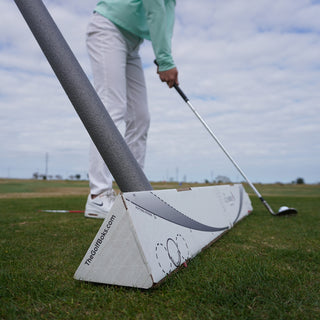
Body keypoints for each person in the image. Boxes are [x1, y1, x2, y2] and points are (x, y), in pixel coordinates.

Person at [84, 0, 179, 218]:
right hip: (108, 28)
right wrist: (165, 60)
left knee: (140, 118)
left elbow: (165, 21)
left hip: (132, 45)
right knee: (111, 108)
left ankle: (133, 193)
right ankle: (98, 196)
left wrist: (162, 55)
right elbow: (154, 7)